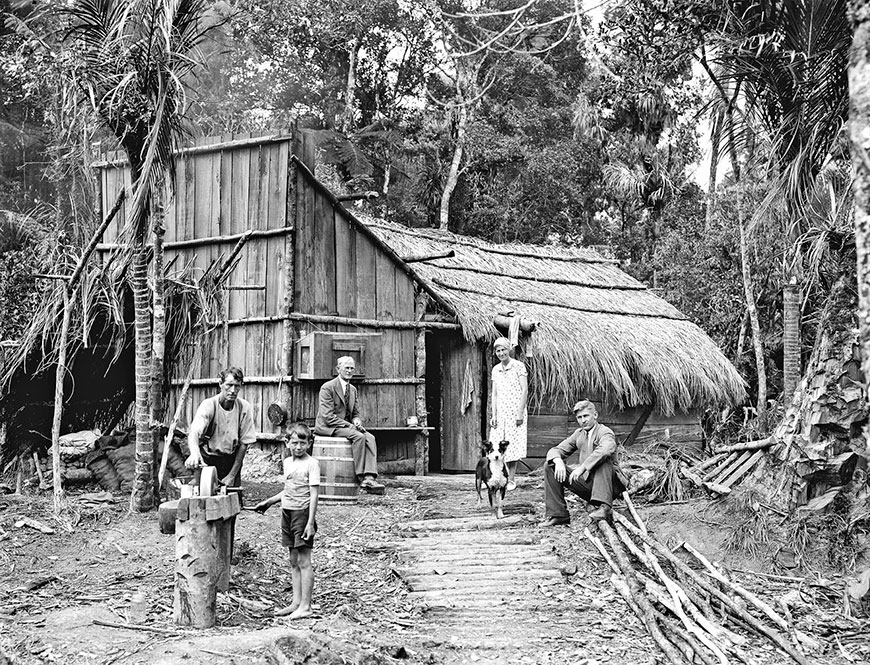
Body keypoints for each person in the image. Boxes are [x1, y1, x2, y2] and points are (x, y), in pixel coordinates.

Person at [253, 423, 320, 619]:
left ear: (309, 443)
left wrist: (310, 522)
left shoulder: (312, 464)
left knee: (304, 560)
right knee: (293, 560)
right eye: (294, 443)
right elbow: (289, 489)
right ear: (287, 443)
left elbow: (314, 495)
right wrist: (268, 502)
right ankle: (296, 602)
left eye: (302, 443)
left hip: (302, 514)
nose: (298, 447)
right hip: (287, 512)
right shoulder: (288, 462)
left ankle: (306, 606)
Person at [541, 400, 628, 526]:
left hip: (610, 486)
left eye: (586, 416)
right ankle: (559, 515)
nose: (583, 420)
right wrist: (558, 460)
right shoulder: (579, 434)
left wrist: (582, 468)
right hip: (589, 485)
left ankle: (605, 508)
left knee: (603, 460)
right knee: (550, 466)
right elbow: (556, 450)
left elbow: (605, 449)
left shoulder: (605, 432)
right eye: (579, 417)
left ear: (595, 415)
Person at [314, 356, 385, 494]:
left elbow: (355, 413)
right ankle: (360, 476)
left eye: (352, 368)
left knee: (370, 438)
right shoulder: (327, 388)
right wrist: (350, 426)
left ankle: (370, 476)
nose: (349, 371)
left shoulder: (352, 389)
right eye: (346, 368)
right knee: (359, 437)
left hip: (346, 427)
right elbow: (327, 417)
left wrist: (356, 421)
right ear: (338, 369)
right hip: (329, 427)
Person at [184, 366, 256, 487]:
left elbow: (244, 444)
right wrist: (195, 453)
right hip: (208, 460)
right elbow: (194, 432)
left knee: (233, 500)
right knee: (204, 499)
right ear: (220, 384)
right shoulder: (209, 405)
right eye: (229, 385)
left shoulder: (244, 408)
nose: (233, 390)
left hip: (230, 461)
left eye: (237, 386)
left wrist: (232, 476)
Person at [488, 337, 528, 491]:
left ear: (509, 349)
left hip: (515, 412)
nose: (501, 353)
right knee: (497, 445)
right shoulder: (495, 369)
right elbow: (495, 394)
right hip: (501, 413)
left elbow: (524, 390)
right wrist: (494, 415)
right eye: (498, 351)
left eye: (503, 349)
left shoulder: (518, 366)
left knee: (512, 445)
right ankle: (497, 478)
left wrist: (519, 413)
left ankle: (511, 480)